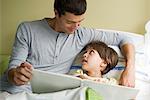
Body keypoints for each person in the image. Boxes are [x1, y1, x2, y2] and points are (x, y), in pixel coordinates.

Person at [0, 0, 135, 94]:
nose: (76, 27)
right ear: (56, 13)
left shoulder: (82, 34)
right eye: (70, 22)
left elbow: (124, 38)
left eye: (80, 22)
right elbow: (13, 68)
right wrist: (16, 75)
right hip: (17, 90)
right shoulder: (27, 29)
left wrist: (129, 69)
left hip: (52, 95)